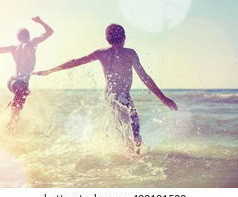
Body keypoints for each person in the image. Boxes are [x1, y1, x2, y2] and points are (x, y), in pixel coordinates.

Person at [33, 24, 177, 153]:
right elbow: (144, 77)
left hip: (109, 96)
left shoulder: (102, 53)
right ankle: (135, 151)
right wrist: (163, 98)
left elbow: (75, 62)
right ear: (124, 38)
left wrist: (50, 71)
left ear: (107, 39)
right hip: (121, 96)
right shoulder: (130, 53)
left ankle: (128, 151)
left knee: (123, 126)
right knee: (133, 121)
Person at [0, 16, 53, 131]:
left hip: (11, 82)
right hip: (20, 84)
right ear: (29, 36)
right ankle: (9, 128)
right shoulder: (32, 43)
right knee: (17, 111)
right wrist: (40, 21)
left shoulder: (13, 48)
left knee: (25, 93)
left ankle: (8, 112)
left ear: (18, 38)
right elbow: (50, 32)